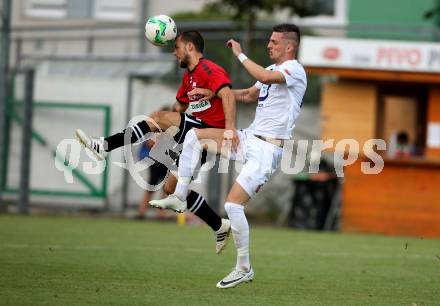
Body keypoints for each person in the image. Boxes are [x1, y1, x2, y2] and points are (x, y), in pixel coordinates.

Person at [150, 24, 307, 289]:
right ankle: (179, 196)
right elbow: (246, 95)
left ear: (289, 47)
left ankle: (244, 268)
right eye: (269, 41)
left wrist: (240, 55)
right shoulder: (269, 70)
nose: (269, 45)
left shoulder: (295, 70)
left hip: (268, 150)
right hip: (249, 138)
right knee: (194, 137)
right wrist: (214, 93)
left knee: (233, 206)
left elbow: (268, 80)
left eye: (274, 42)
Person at [75, 31, 239, 253]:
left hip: (211, 133)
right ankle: (219, 225)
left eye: (177, 47)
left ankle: (104, 146)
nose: (174, 52)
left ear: (190, 47)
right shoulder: (189, 77)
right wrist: (162, 128)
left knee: (157, 117)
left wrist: (229, 129)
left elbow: (227, 94)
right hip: (196, 136)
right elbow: (179, 108)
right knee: (171, 188)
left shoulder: (208, 69)